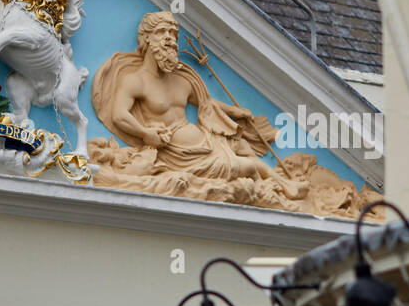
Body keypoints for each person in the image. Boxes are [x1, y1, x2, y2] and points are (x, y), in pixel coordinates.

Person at [91, 11, 307, 199]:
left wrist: (235, 111)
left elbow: (205, 103)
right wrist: (145, 133)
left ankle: (283, 186)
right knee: (249, 166)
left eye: (173, 34)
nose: (169, 38)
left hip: (206, 143)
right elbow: (119, 115)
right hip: (179, 155)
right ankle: (284, 187)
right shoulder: (135, 80)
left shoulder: (182, 80)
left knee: (242, 145)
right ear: (146, 39)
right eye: (162, 32)